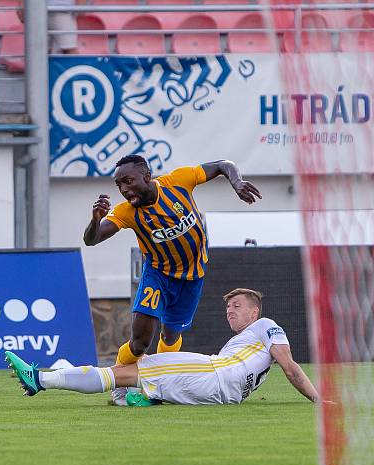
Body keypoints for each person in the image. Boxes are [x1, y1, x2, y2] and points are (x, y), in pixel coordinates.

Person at [83, 155, 261, 403]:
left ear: (146, 176)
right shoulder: (127, 212)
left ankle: (161, 385)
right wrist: (95, 220)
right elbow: (91, 240)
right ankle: (118, 383)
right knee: (139, 344)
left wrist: (237, 182)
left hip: (192, 278)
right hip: (158, 276)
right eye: (119, 185)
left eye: (128, 181)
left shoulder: (179, 181)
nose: (124, 190)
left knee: (169, 336)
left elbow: (223, 165)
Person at [6, 288, 321, 405]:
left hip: (212, 375)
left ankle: (42, 379)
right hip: (218, 393)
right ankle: (123, 397)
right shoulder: (240, 344)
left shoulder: (266, 326)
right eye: (228, 307)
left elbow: (290, 367)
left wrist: (317, 399)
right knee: (128, 380)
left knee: (122, 372)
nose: (230, 311)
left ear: (255, 312)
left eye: (237, 306)